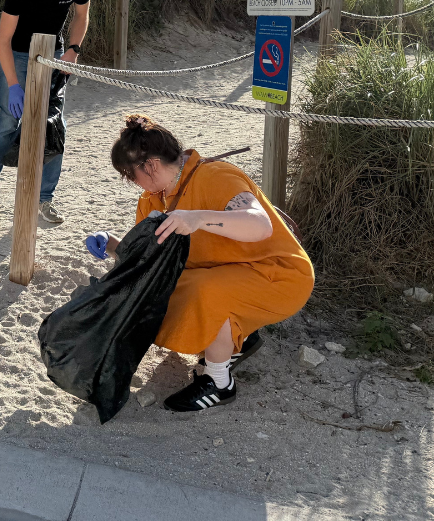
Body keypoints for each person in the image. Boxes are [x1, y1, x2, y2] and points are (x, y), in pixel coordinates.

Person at [108, 114, 314, 412]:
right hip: (233, 272)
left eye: (130, 174)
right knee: (167, 293)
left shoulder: (215, 176)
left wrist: (199, 218)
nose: (131, 182)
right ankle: (240, 337)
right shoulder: (152, 199)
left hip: (280, 275)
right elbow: (150, 261)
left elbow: (260, 226)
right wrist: (114, 246)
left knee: (205, 292)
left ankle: (219, 382)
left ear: (150, 165)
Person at [0, 0, 90, 229]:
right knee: (7, 123)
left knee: (53, 124)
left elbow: (81, 15)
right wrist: (14, 84)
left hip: (53, 53)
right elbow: (2, 40)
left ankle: (44, 199)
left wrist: (73, 49)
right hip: (16, 52)